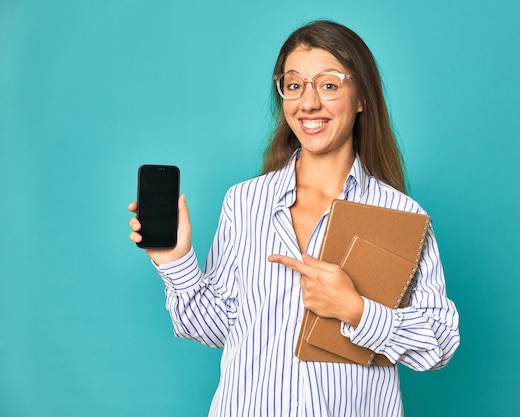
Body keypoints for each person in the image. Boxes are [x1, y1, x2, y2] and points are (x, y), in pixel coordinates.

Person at [129, 20, 459, 417]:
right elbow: (218, 328)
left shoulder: (402, 215)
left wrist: (357, 311)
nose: (308, 103)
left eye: (329, 85)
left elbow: (438, 345)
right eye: (295, 85)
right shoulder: (245, 201)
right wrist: (175, 262)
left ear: (361, 98)